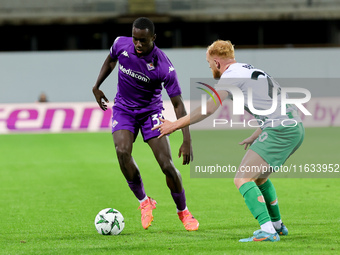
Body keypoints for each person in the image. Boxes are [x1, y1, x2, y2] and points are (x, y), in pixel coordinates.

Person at [153, 40, 305, 241]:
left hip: (280, 130)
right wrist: (256, 134)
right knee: (259, 178)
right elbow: (274, 105)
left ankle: (268, 231)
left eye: (209, 64)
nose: (210, 69)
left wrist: (175, 124)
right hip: (294, 126)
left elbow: (209, 108)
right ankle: (277, 226)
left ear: (217, 62)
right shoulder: (251, 70)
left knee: (242, 179)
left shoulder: (230, 75)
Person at [92, 17, 199, 231]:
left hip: (151, 112)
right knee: (122, 152)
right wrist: (97, 86)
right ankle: (144, 201)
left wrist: (186, 139)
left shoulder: (164, 66)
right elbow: (111, 60)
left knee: (167, 165)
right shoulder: (121, 44)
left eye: (143, 41)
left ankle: (183, 211)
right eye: (135, 39)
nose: (138, 45)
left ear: (153, 38)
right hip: (123, 109)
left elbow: (178, 105)